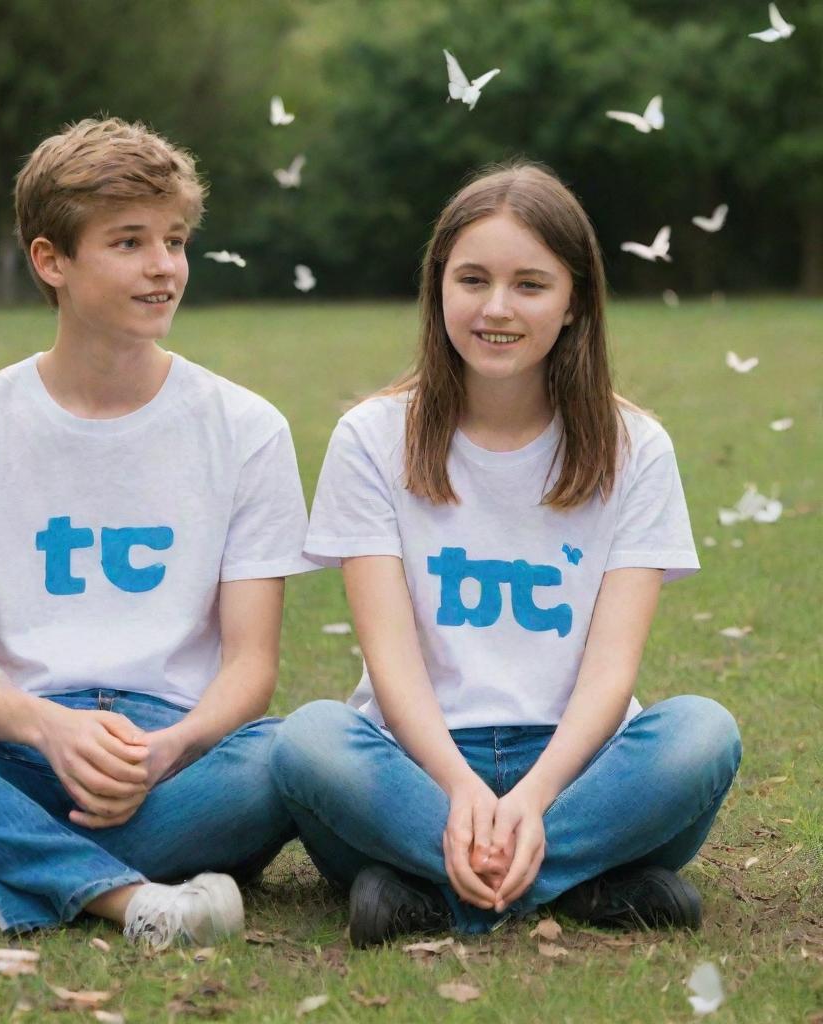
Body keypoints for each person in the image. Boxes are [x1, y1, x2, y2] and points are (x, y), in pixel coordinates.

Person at [0, 117, 313, 948]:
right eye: (129, 242)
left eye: (176, 240)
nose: (163, 267)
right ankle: (127, 899)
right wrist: (50, 728)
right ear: (52, 260)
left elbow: (251, 667)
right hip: (16, 750)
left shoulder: (247, 428)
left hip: (172, 768)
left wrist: (165, 749)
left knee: (294, 754)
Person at [269, 161, 741, 947]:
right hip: (414, 764)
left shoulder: (637, 448)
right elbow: (391, 661)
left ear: (574, 302)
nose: (496, 308)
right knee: (307, 740)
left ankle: (438, 892)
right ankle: (588, 886)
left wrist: (535, 795)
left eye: (530, 284)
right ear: (438, 287)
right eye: (473, 279)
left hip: (579, 767)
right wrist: (456, 786)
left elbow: (611, 670)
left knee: (703, 734)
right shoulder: (371, 438)